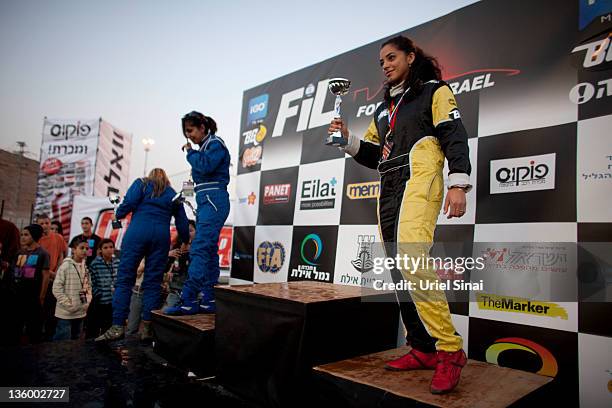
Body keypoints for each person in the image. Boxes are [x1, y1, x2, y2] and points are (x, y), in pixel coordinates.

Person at [328, 35, 471, 394]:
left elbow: (454, 133)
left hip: (421, 176)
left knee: (411, 256)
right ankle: (422, 347)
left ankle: (449, 350)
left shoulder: (434, 91)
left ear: (411, 57)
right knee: (397, 265)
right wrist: (347, 139)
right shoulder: (382, 108)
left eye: (392, 57)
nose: (386, 65)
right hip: (389, 184)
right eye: (381, 62)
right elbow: (374, 153)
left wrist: (458, 183)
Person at [95, 168, 189, 343]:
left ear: (150, 176)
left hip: (137, 233)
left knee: (125, 280)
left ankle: (117, 326)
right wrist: (184, 239)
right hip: (161, 236)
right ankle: (147, 327)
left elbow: (128, 203)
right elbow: (182, 220)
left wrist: (119, 213)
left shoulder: (141, 184)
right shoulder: (172, 193)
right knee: (153, 283)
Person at [164, 112, 230, 315]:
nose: (189, 136)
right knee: (208, 251)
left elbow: (206, 166)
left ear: (202, 127)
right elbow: (199, 177)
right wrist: (182, 195)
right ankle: (209, 298)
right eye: (186, 133)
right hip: (205, 200)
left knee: (199, 249)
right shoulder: (205, 147)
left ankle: (188, 299)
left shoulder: (215, 144)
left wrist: (190, 153)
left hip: (214, 199)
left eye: (191, 131)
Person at [5, 224, 50, 345]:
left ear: (34, 236)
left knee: (33, 329)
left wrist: (41, 296)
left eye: (26, 235)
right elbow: (14, 272)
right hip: (17, 295)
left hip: (33, 296)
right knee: (15, 327)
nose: (23, 238)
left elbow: (45, 276)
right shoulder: (19, 253)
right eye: (21, 235)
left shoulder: (43, 254)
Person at [37, 213, 68, 341]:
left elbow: (61, 254)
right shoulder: (37, 239)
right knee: (40, 307)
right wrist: (50, 273)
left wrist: (57, 272)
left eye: (46, 223)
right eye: (41, 223)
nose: (44, 226)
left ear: (50, 223)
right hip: (41, 278)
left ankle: (49, 335)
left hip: (54, 278)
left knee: (52, 308)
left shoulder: (58, 237)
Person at [52, 237, 90, 341]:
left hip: (81, 311)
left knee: (76, 340)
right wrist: (69, 305)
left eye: (87, 248)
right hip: (66, 313)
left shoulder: (85, 267)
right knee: (63, 341)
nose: (85, 251)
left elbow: (88, 287)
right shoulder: (65, 266)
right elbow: (56, 289)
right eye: (82, 248)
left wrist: (87, 303)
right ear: (73, 249)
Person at [85, 238, 118, 338]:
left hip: (112, 302)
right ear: (100, 250)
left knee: (107, 329)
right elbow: (91, 282)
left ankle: (105, 349)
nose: (109, 250)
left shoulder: (117, 262)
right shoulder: (95, 264)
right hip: (99, 302)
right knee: (93, 330)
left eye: (111, 247)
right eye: (105, 247)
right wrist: (98, 294)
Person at [163, 220, 196, 310]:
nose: (187, 234)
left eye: (190, 231)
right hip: (175, 292)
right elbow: (164, 268)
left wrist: (191, 251)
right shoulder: (176, 249)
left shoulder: (200, 250)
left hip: (193, 294)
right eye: (185, 231)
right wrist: (168, 255)